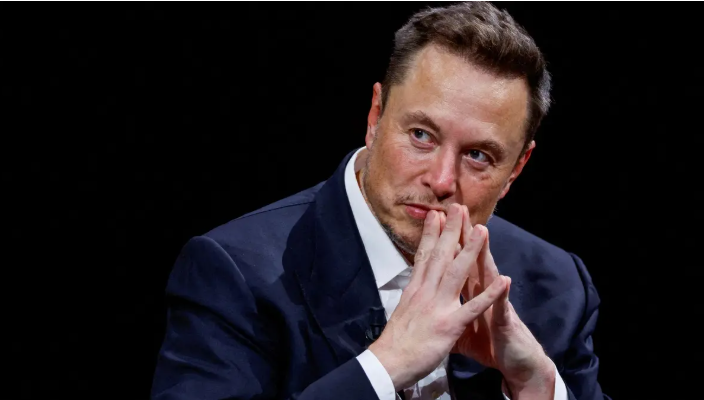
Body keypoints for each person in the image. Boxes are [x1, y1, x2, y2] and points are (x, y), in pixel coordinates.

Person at [151, 2, 607, 399]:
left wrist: (535, 382)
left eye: (478, 156)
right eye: (422, 135)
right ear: (375, 116)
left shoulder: (557, 285)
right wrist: (383, 368)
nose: (441, 181)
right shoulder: (235, 275)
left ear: (517, 168)